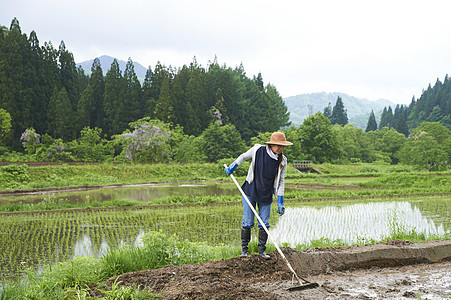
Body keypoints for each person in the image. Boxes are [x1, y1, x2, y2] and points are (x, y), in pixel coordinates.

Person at [224, 131, 293, 259]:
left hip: (266, 194)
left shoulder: (282, 160)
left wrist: (280, 200)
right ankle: (244, 251)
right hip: (251, 190)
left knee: (264, 223)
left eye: (283, 146)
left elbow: (281, 180)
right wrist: (233, 166)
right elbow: (243, 156)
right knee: (248, 221)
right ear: (272, 144)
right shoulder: (257, 150)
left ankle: (262, 252)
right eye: (279, 145)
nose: (281, 148)